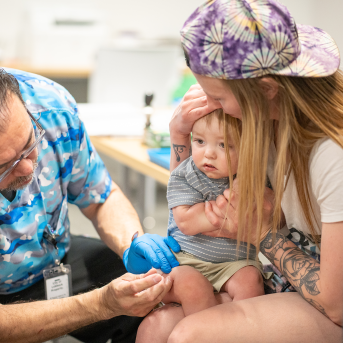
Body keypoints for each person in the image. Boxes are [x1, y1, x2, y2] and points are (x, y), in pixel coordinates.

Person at [134, 0, 343, 342]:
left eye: (217, 96)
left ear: (266, 91)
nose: (210, 105)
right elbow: (191, 197)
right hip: (288, 281)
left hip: (330, 301)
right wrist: (180, 136)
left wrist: (260, 233)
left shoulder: (332, 153)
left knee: (190, 335)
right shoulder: (263, 124)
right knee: (155, 329)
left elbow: (336, 303)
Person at [0, 68, 179, 343]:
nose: (27, 167)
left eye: (29, 142)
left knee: (154, 297)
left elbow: (101, 198)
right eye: (4, 167)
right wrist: (100, 305)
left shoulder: (50, 105)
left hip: (52, 258)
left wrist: (132, 244)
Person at [158, 109, 271, 318]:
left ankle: (244, 333)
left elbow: (266, 215)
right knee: (193, 286)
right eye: (200, 141)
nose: (209, 153)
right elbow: (187, 222)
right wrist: (234, 210)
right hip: (187, 261)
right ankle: (205, 333)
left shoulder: (255, 177)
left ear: (249, 151)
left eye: (224, 145)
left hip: (235, 263)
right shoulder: (185, 173)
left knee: (251, 280)